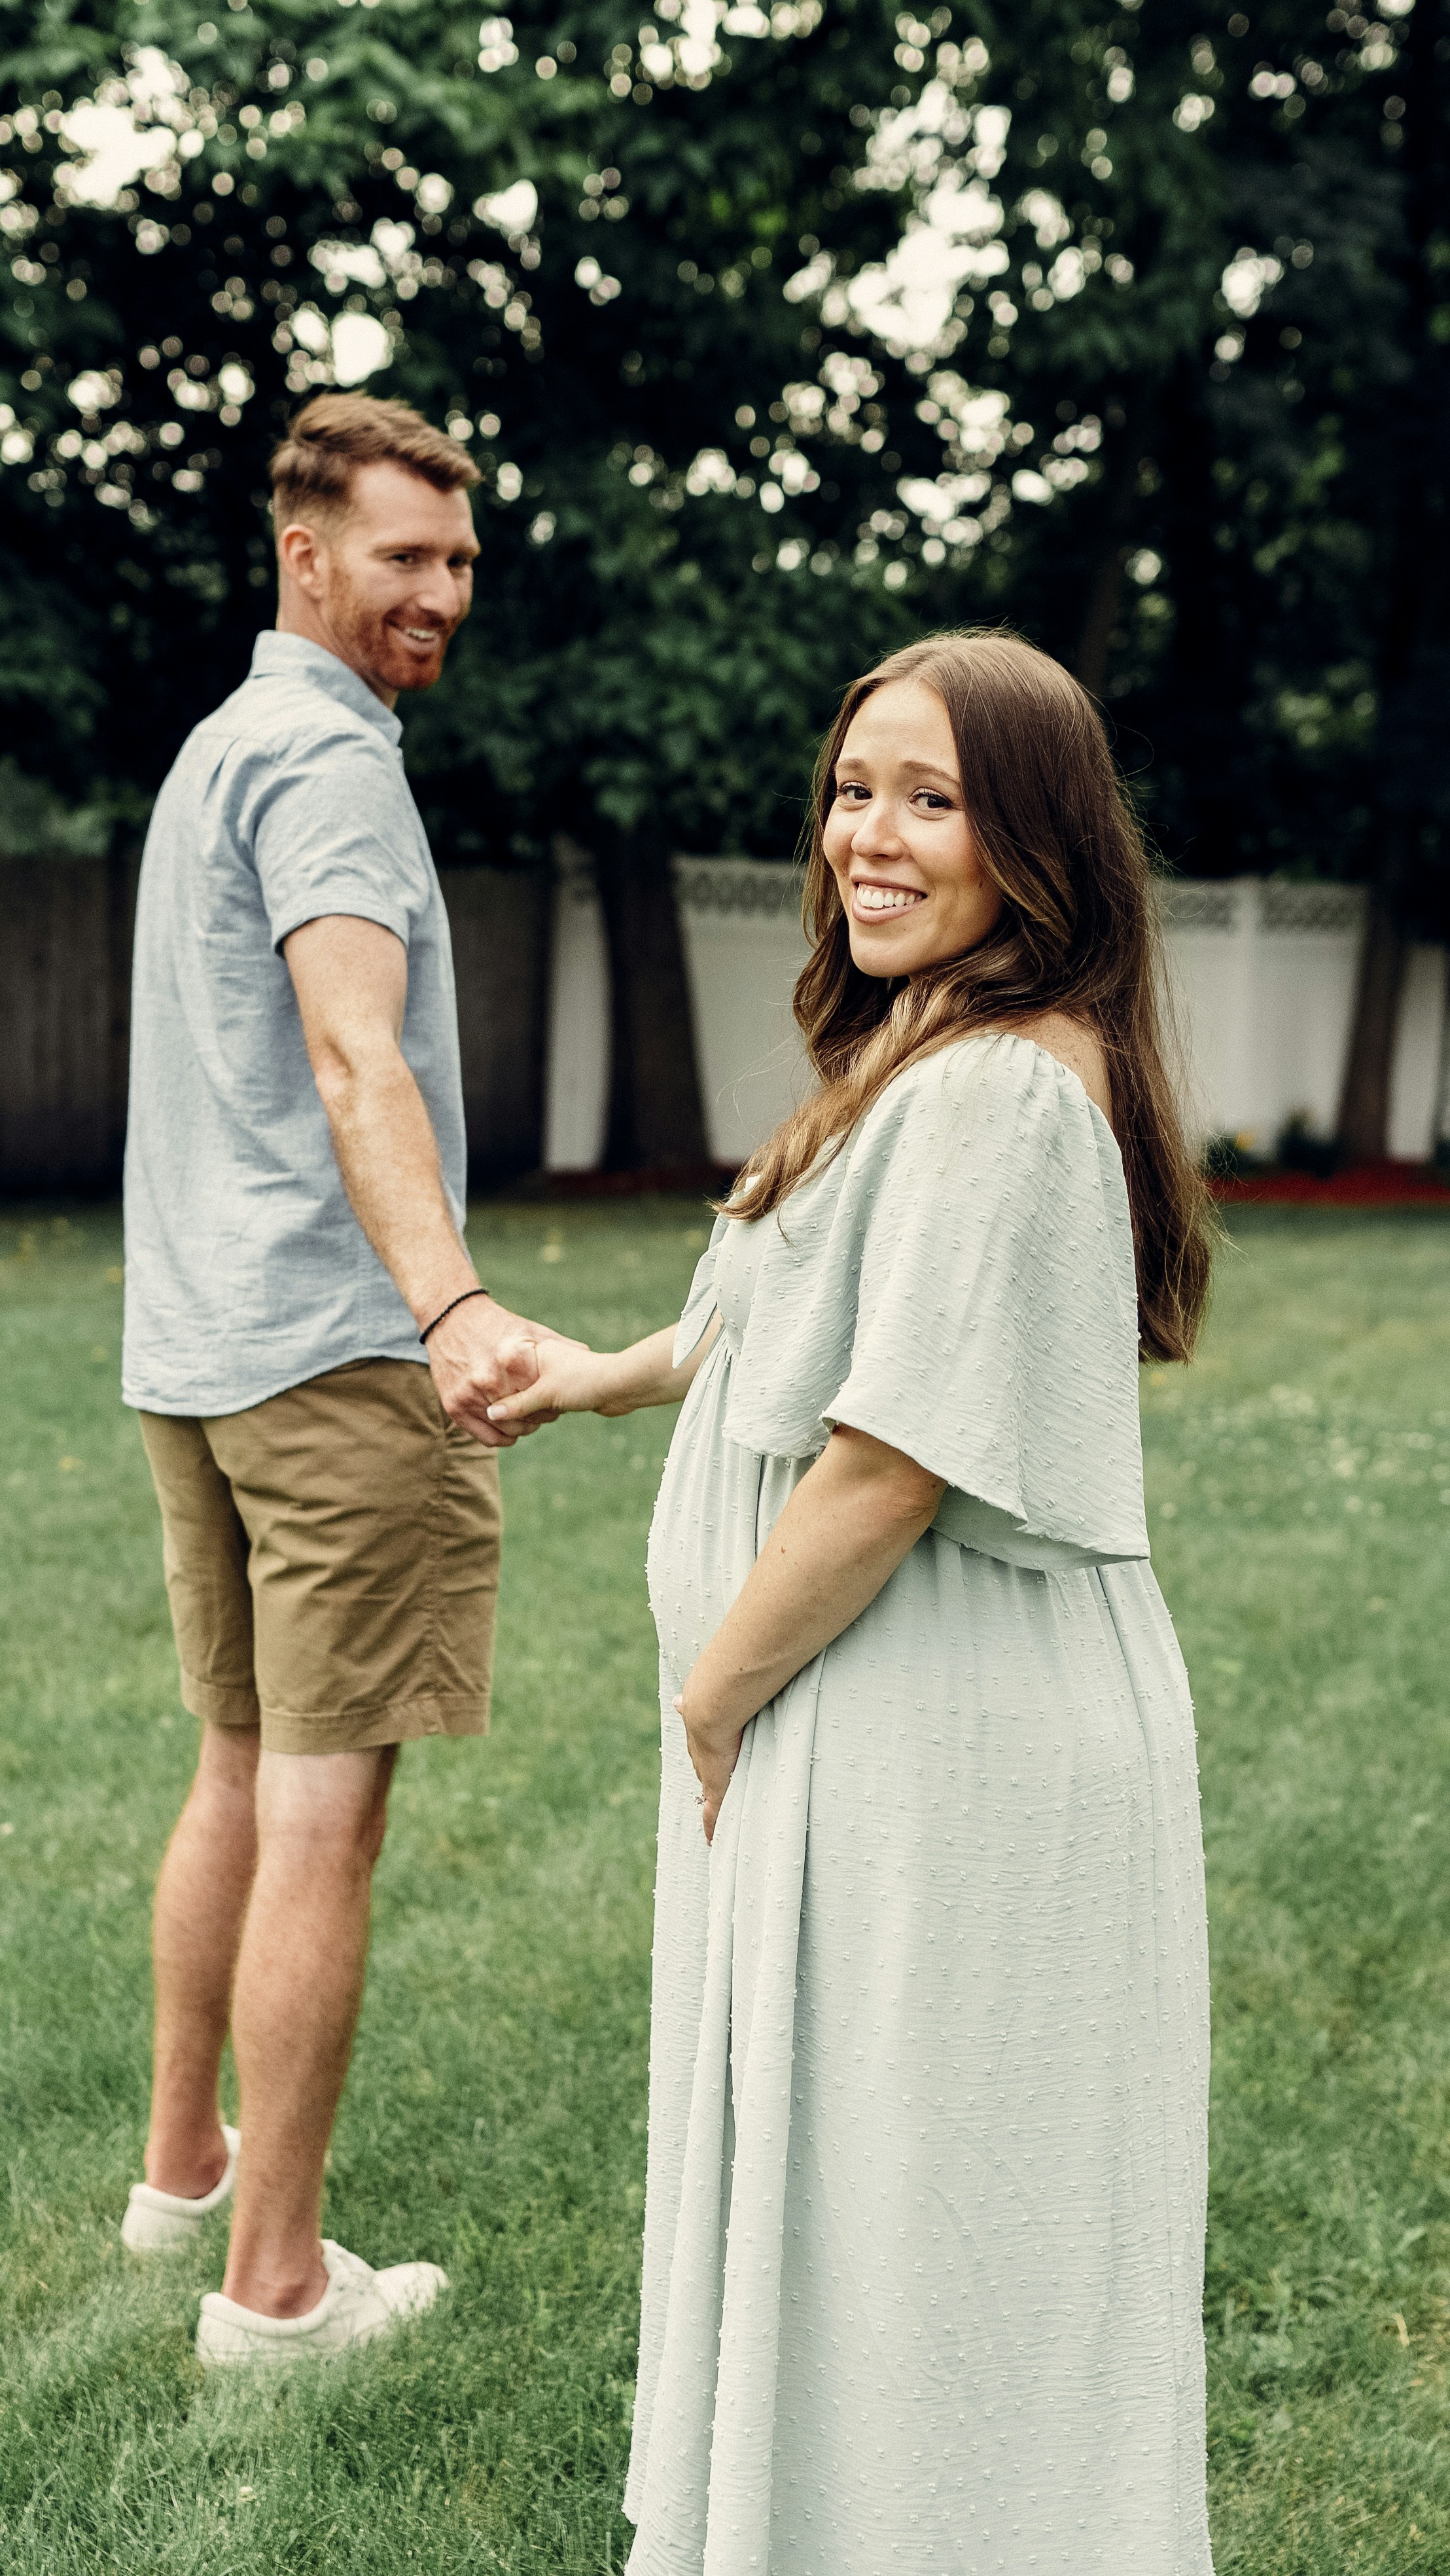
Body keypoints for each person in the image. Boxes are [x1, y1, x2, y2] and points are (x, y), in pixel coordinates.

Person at [491, 631, 1217, 2573]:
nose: (869, 841)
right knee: (864, 2216)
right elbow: (787, 1331)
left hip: (930, 1728)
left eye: (932, 800)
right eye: (851, 790)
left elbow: (889, 1464)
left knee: (925, 2228)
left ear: (1036, 843)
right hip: (877, 1715)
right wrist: (595, 1375)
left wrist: (716, 1695)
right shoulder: (926, 1053)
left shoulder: (998, 1093)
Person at [119, 393, 563, 2369]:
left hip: (197, 1358)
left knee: (233, 1765)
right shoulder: (326, 765)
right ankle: (281, 2294)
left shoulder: (221, 746)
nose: (442, 594)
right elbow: (352, 1053)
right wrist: (454, 1303)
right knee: (321, 1815)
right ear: (306, 554)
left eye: (460, 560)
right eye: (404, 557)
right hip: (328, 1363)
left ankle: (181, 2176)